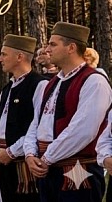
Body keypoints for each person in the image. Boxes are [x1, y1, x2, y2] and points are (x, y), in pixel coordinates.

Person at [26, 22, 111, 201]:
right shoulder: (53, 83)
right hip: (47, 169)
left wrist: (47, 158)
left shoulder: (94, 81)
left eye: (53, 44)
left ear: (71, 47)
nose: (47, 49)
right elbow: (37, 122)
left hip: (77, 171)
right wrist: (30, 153)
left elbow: (83, 130)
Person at [0, 34, 46, 202]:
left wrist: (11, 152)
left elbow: (38, 126)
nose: (0, 59)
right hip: (3, 159)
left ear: (20, 56)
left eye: (4, 54)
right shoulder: (7, 88)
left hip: (24, 165)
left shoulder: (39, 85)